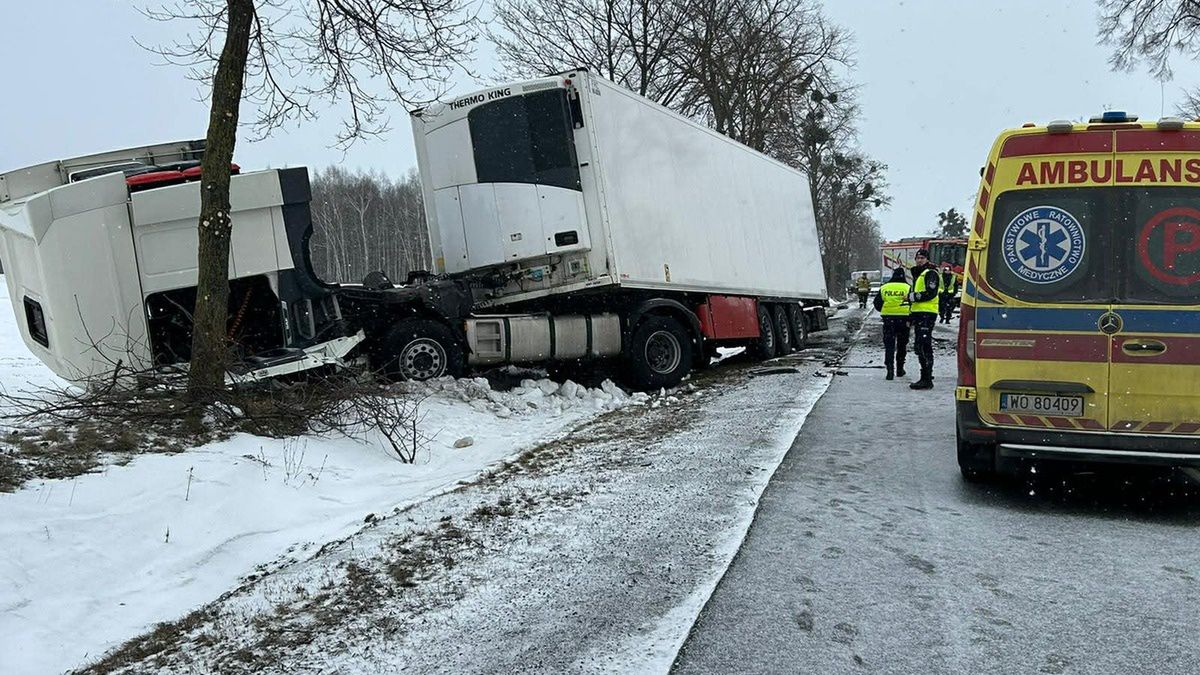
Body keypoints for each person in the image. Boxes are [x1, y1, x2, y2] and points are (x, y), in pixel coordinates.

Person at [907, 249, 940, 390]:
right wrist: (910, 316)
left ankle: (926, 378)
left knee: (923, 345)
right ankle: (926, 375)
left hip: (927, 313)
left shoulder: (930, 273)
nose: (919, 260)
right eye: (918, 258)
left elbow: (931, 293)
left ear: (927, 259)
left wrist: (913, 296)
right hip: (919, 313)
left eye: (922, 258)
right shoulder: (919, 274)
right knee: (920, 345)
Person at [873, 267, 910, 380]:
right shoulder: (908, 287)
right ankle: (900, 369)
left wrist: (886, 310)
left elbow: (877, 303)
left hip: (888, 319)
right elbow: (913, 303)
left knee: (889, 345)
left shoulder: (885, 287)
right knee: (902, 345)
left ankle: (890, 370)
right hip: (904, 319)